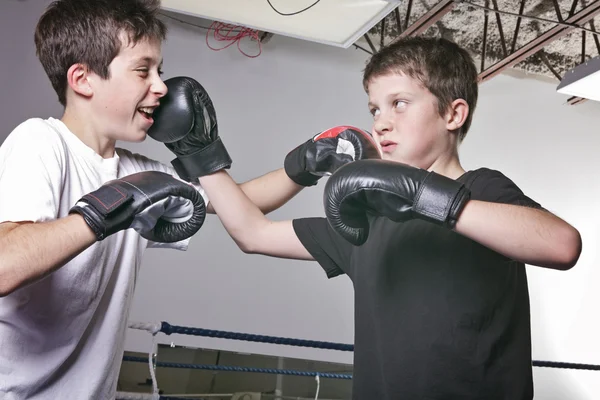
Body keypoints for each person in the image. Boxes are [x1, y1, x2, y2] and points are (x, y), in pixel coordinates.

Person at [0, 0, 365, 398]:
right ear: (83, 79)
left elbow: (237, 203)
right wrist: (103, 210)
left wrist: (307, 163)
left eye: (160, 71)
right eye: (143, 70)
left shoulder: (135, 171)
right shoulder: (41, 142)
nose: (160, 86)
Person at [186, 37, 583, 399]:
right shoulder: (361, 221)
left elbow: (562, 245)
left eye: (400, 103)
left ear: (453, 114)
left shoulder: (481, 190)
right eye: (375, 108)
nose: (381, 121)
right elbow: (251, 232)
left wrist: (426, 196)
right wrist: (203, 153)